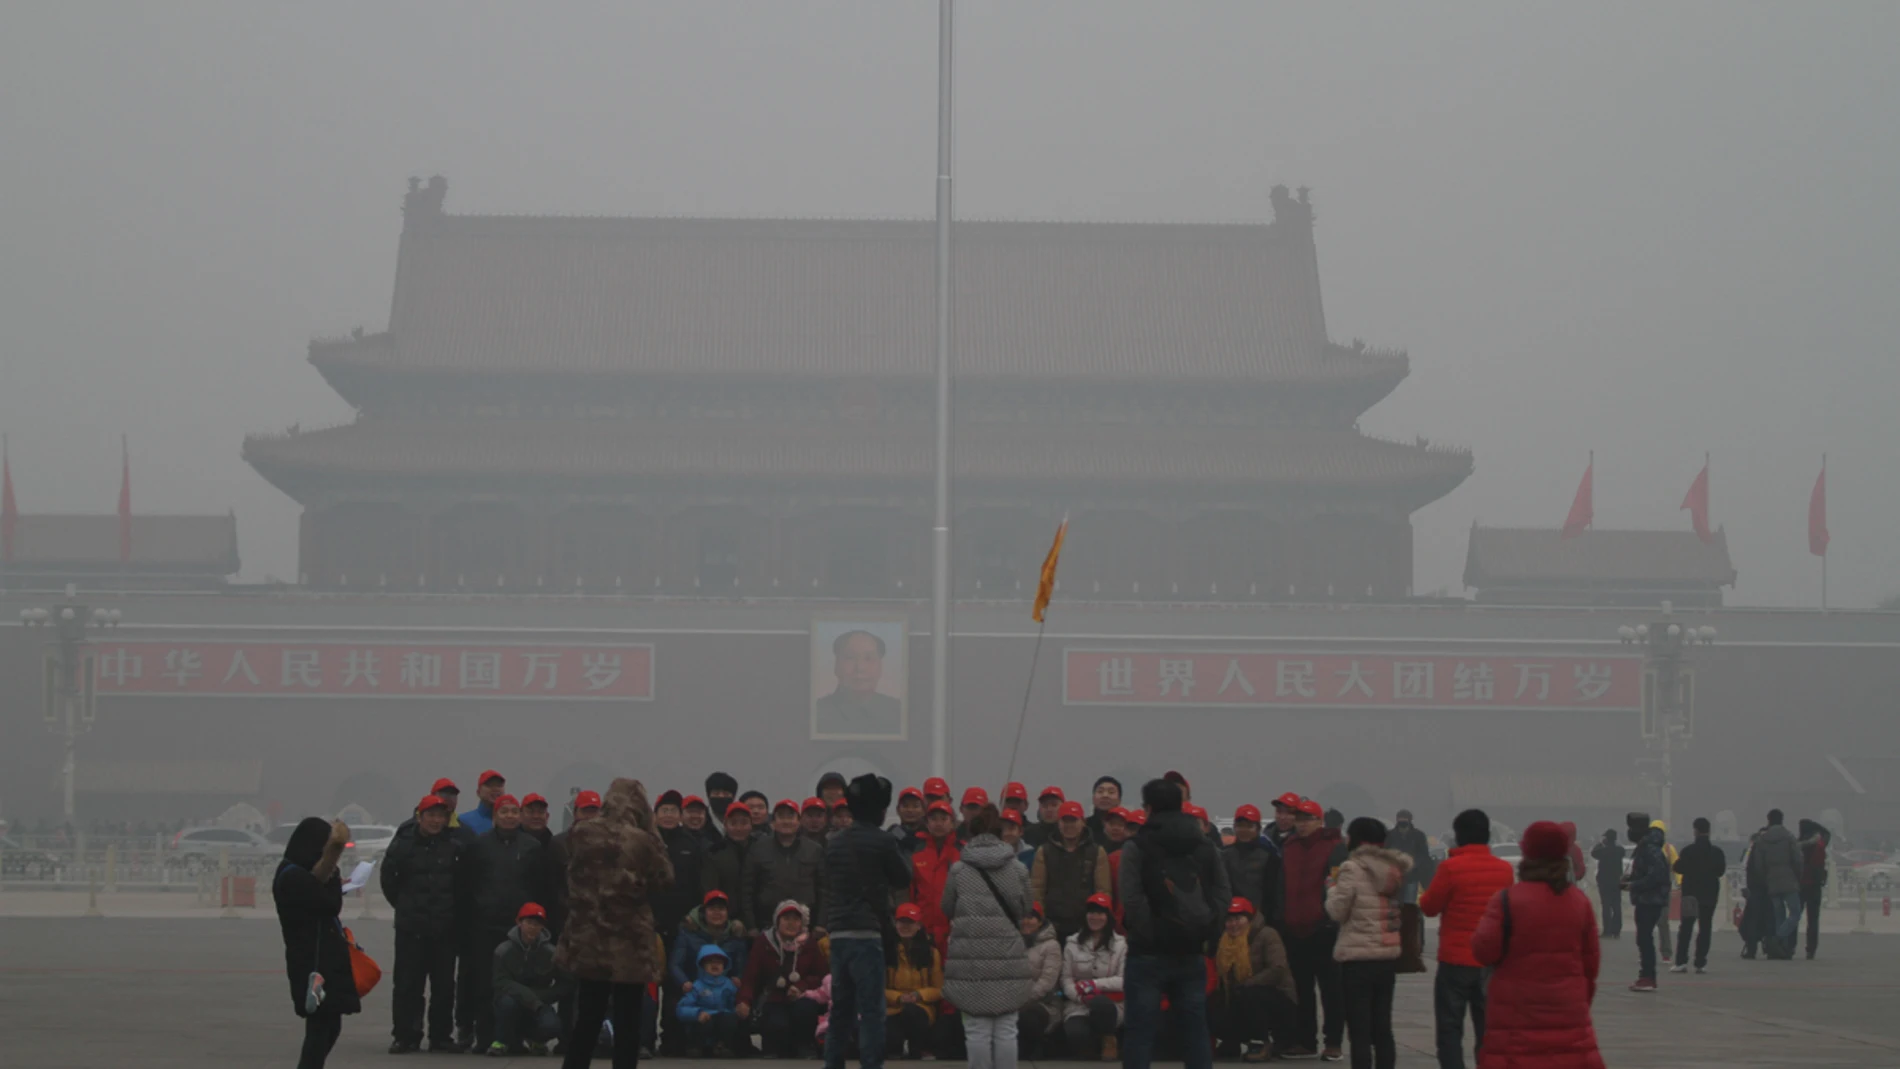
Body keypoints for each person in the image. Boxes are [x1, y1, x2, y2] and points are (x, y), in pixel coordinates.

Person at [555, 778, 673, 1069]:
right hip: (628, 941)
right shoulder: (641, 841)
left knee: (588, 1016)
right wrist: (652, 831)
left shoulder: (580, 832)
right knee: (627, 1020)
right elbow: (664, 879)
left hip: (588, 936)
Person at [1469, 822, 1604, 1069]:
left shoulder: (1507, 900)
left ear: (1527, 852)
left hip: (1514, 1019)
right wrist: (1578, 999)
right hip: (1568, 1014)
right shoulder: (1579, 902)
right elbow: (1591, 965)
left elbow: (1482, 950)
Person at [1119, 777, 1229, 1069]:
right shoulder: (1204, 845)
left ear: (1149, 807)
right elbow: (1221, 892)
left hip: (1147, 953)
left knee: (1140, 1033)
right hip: (1192, 950)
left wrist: (1150, 932)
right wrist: (1207, 928)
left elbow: (1132, 898)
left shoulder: (1136, 846)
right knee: (1195, 1032)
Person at [824, 773, 913, 1069]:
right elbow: (903, 878)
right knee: (872, 1009)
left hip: (838, 932)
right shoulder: (885, 840)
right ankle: (871, 1065)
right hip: (867, 932)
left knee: (841, 1009)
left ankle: (833, 1063)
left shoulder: (834, 842)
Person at [941, 804, 1036, 1069]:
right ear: (1000, 833)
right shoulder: (1017, 869)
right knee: (1006, 1027)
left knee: (976, 1028)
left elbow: (946, 907)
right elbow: (1027, 906)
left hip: (968, 955)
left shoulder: (959, 869)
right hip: (1007, 953)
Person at [1419, 809, 1513, 1069]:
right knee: (1488, 1030)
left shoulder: (1450, 868)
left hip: (1455, 960)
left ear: (1458, 836)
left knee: (1450, 1028)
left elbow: (1429, 907)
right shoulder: (1504, 870)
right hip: (1491, 961)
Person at [382, 795, 465, 1053]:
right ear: (420, 816)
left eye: (441, 815)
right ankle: (406, 1035)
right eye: (431, 815)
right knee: (408, 985)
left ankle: (440, 1036)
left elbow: (461, 886)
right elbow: (389, 881)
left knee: (443, 987)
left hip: (444, 928)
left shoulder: (454, 846)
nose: (436, 820)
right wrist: (406, 906)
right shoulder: (403, 845)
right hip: (411, 928)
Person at [274, 816, 359, 1069]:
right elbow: (330, 904)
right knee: (321, 1029)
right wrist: (332, 874)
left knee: (329, 1026)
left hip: (321, 958)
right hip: (312, 963)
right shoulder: (293, 877)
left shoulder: (301, 874)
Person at [466, 795, 547, 1051]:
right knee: (485, 984)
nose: (510, 816)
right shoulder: (479, 846)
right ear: (495, 816)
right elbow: (468, 885)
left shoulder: (532, 846)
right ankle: (485, 1036)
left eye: (514, 811)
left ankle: (517, 1037)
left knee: (522, 985)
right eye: (505, 812)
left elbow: (539, 887)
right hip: (485, 926)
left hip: (522, 930)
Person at [1327, 818, 1409, 1069]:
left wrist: (1331, 889)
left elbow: (1337, 911)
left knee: (1360, 1030)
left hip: (1358, 958)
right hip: (1386, 956)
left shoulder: (1352, 868)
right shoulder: (1394, 869)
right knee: (1382, 1026)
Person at [1280, 797, 1344, 1061]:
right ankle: (1305, 1041)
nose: (1302, 824)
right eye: (1299, 819)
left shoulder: (1335, 847)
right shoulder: (1289, 847)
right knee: (1301, 989)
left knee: (1331, 990)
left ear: (1319, 821)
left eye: (1308, 819)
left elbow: (1339, 886)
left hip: (1324, 929)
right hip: (1294, 929)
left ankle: (1333, 1042)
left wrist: (1328, 917)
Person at [1209, 897, 1295, 1063]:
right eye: (1229, 920)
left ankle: (1259, 1043)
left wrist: (1247, 984)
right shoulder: (1224, 941)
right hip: (1240, 996)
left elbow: (1277, 969)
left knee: (1249, 995)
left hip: (1277, 998)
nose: (1233, 925)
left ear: (1249, 919)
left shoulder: (1267, 934)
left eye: (1238, 919)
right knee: (1212, 1004)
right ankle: (1230, 1042)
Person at [740, 900, 829, 1058]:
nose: (791, 923)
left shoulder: (809, 943)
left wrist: (802, 986)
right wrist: (744, 1001)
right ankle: (774, 1048)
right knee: (777, 1024)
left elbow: (822, 976)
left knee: (805, 1010)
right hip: (773, 998)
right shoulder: (763, 943)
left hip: (802, 997)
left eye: (795, 919)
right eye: (786, 919)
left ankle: (804, 1046)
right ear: (777, 921)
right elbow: (750, 977)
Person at [669, 889, 750, 1054]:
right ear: (703, 911)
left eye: (721, 909)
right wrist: (684, 982)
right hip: (694, 985)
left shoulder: (736, 935)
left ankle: (726, 1044)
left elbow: (742, 965)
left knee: (735, 1012)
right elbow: (675, 964)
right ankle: (692, 1044)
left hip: (724, 986)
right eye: (712, 909)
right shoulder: (688, 931)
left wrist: (738, 979)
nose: (717, 913)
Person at [491, 902, 570, 1057]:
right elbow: (500, 982)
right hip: (512, 1000)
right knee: (507, 1004)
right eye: (529, 923)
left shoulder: (552, 953)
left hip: (540, 1002)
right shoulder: (503, 951)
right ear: (519, 923)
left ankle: (536, 1040)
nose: (532, 928)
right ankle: (503, 1041)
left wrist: (541, 998)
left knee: (552, 1026)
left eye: (537, 924)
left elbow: (565, 984)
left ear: (543, 927)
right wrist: (528, 996)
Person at [1032, 800, 1112, 945]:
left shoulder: (1097, 852)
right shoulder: (1044, 851)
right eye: (1065, 821)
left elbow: (1104, 891)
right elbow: (1037, 891)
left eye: (1073, 821)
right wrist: (1040, 921)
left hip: (1086, 926)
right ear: (1058, 823)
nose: (1069, 825)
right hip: (1051, 926)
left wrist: (1099, 923)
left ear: (1082, 822)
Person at [1061, 893, 1127, 1061]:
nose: (1095, 917)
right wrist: (1080, 996)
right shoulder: (1072, 943)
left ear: (1108, 917)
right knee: (1076, 1034)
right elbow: (1066, 978)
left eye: (1100, 913)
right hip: (1079, 1004)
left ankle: (1109, 1039)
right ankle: (1091, 1044)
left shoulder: (1121, 945)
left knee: (1101, 1004)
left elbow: (1123, 980)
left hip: (1112, 1003)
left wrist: (1093, 985)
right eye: (1091, 912)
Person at [885, 902, 953, 1058]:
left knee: (912, 1013)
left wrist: (918, 995)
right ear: (895, 924)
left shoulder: (931, 953)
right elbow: (877, 989)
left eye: (910, 922)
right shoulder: (886, 952)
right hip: (893, 1007)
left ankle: (917, 1048)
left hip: (922, 1007)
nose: (905, 926)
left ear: (919, 925)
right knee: (890, 1040)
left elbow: (939, 989)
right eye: (902, 922)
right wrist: (898, 997)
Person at [752, 798, 828, 935]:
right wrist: (751, 926)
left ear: (799, 822)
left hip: (806, 925)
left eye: (791, 816)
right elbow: (748, 889)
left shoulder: (814, 850)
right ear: (773, 823)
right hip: (766, 924)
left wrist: (821, 923)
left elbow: (824, 889)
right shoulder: (758, 848)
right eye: (781, 816)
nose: (786, 821)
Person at [815, 629, 903, 737]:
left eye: (868, 658)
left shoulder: (899, 712)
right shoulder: (816, 713)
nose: (860, 668)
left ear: (880, 667)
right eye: (850, 658)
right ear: (836, 666)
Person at [1670, 817, 1727, 975]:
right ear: (1709, 831)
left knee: (1686, 927)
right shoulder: (1716, 852)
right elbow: (1720, 871)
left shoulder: (1688, 851)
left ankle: (1681, 962)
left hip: (1690, 894)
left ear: (1695, 830)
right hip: (1709, 894)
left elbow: (1678, 867)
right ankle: (1701, 963)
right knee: (1705, 927)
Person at [1623, 813, 1670, 992]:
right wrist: (1631, 879)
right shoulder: (1646, 846)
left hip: (1651, 899)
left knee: (1645, 938)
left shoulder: (1650, 848)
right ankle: (1646, 975)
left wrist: (1635, 885)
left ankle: (1648, 977)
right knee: (1643, 938)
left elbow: (1657, 875)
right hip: (1646, 898)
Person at [908, 800, 963, 950]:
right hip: (923, 931)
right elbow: (911, 893)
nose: (938, 823)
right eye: (934, 819)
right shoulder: (916, 854)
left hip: (955, 933)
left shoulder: (963, 853)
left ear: (952, 823)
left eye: (943, 819)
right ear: (926, 823)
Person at [1751, 809, 1804, 956]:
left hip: (1771, 880)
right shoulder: (1788, 837)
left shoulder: (1763, 840)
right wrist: (1797, 875)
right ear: (1782, 820)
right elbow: (1798, 859)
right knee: (1795, 913)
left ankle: (1780, 949)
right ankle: (1778, 939)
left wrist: (1766, 877)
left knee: (1778, 914)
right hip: (1788, 878)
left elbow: (1758, 864)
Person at [702, 802, 761, 930]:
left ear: (751, 825)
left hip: (761, 920)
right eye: (734, 823)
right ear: (725, 825)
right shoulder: (715, 853)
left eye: (744, 823)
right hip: (727, 923)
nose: (739, 828)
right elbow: (711, 891)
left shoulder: (762, 849)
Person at [1223, 804, 1284, 926]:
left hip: (1260, 922)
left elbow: (1275, 895)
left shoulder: (1270, 858)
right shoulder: (1223, 855)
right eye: (1240, 826)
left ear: (1258, 828)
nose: (1244, 830)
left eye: (1249, 826)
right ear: (1234, 827)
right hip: (1229, 921)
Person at [1017, 904, 1064, 1060]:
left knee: (1027, 1017)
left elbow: (1047, 982)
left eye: (1031, 917)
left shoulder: (1051, 946)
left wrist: (1023, 999)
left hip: (1044, 1003)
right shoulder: (1012, 943)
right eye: (1023, 917)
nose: (1026, 921)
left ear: (1039, 921)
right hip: (1013, 1000)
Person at [677, 945, 743, 1056]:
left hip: (722, 1018)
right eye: (710, 962)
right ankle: (696, 1046)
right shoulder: (697, 986)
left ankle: (722, 1045)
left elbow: (733, 1003)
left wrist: (739, 1002)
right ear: (702, 966)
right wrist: (697, 1013)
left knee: (730, 1019)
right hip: (704, 1019)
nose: (715, 964)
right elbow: (681, 1008)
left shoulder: (729, 984)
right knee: (706, 1021)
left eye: (719, 962)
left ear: (724, 966)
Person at [1797, 819, 1831, 959]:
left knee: (1794, 917)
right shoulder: (1819, 844)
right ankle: (1811, 949)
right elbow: (1827, 833)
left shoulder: (1799, 844)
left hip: (1800, 885)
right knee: (1813, 919)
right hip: (1815, 886)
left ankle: (1789, 945)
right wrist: (1817, 828)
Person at [1387, 811, 1433, 905]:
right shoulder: (1390, 835)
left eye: (1405, 819)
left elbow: (1423, 854)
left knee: (1409, 904)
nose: (1402, 821)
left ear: (1410, 820)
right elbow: (1385, 852)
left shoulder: (1418, 835)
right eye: (1400, 819)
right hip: (1394, 876)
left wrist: (1413, 864)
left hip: (1412, 876)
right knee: (1395, 904)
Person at [1588, 830, 1624, 939]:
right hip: (1616, 880)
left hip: (1604, 881)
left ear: (1607, 838)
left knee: (1606, 906)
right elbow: (1622, 851)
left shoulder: (1603, 850)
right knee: (1617, 905)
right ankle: (1616, 930)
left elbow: (1593, 852)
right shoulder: (1620, 850)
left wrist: (1601, 843)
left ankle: (1607, 931)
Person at [463, 770, 507, 835]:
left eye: (499, 785)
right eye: (489, 785)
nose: (495, 789)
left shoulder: (513, 821)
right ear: (478, 792)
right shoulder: (463, 821)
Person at [705, 772, 741, 845]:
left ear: (733, 797)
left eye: (726, 793)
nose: (721, 796)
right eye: (716, 793)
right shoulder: (700, 822)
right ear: (708, 796)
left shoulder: (741, 822)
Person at [1086, 777, 1123, 847]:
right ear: (1093, 799)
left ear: (1119, 800)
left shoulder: (1127, 827)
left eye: (1111, 792)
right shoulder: (1084, 826)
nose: (1105, 795)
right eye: (1100, 791)